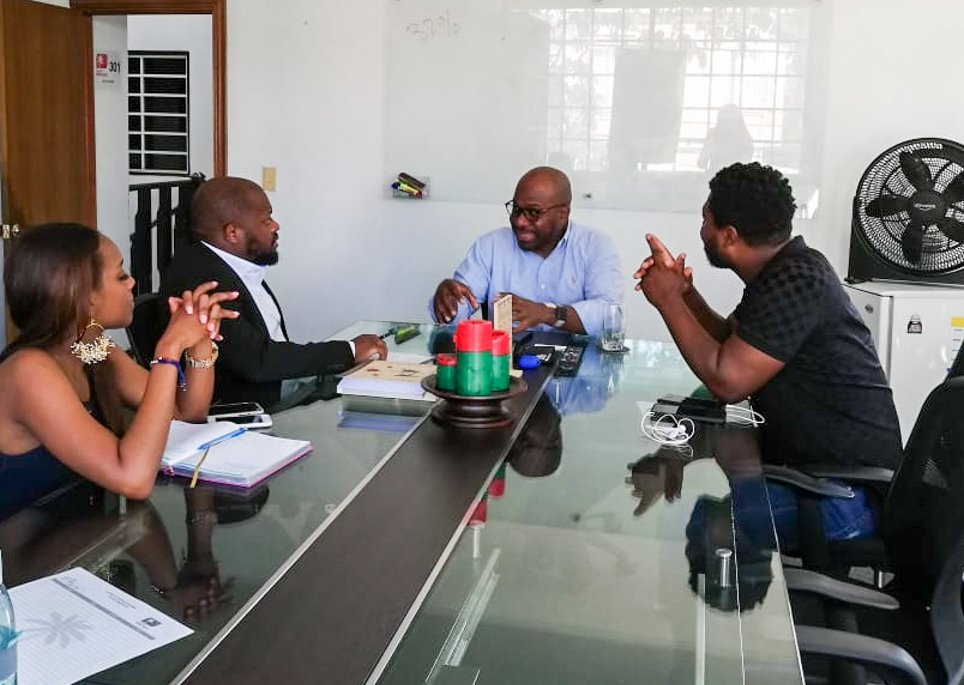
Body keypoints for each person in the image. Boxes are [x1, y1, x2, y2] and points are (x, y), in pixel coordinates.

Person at [633, 162, 901, 548]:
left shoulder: (798, 280)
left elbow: (728, 381)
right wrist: (685, 295)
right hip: (816, 475)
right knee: (715, 444)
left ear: (729, 235)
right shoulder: (785, 272)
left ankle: (745, 584)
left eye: (706, 220)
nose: (701, 230)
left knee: (702, 523)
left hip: (845, 494)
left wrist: (668, 301)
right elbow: (731, 342)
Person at [0, 223, 236, 527]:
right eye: (121, 276)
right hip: (19, 548)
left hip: (86, 532)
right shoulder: (28, 372)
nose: (132, 282)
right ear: (84, 296)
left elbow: (185, 415)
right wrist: (169, 348)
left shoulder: (89, 347)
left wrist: (200, 339)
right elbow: (133, 479)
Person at [162, 177, 388, 406]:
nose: (275, 226)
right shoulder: (203, 280)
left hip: (283, 392)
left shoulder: (233, 265)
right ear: (233, 233)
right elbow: (256, 361)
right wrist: (348, 351)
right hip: (252, 412)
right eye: (266, 220)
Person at [430, 166, 623, 336]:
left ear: (562, 214)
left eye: (533, 212)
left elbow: (610, 315)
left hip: (579, 362)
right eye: (516, 209)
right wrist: (447, 302)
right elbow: (457, 310)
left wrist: (547, 313)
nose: (520, 221)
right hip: (506, 361)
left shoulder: (594, 246)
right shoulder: (490, 246)